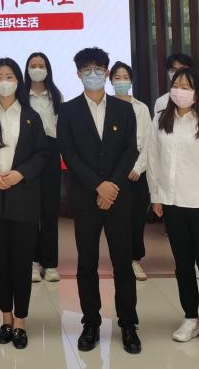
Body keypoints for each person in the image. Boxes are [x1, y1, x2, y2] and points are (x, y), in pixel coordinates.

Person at [57, 49, 141, 354]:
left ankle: (128, 323)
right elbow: (69, 154)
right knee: (87, 262)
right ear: (78, 74)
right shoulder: (68, 111)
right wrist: (97, 186)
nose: (93, 74)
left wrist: (112, 186)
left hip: (118, 197)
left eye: (98, 69)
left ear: (106, 73)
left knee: (123, 262)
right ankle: (90, 322)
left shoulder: (124, 109)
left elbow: (130, 150)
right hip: (85, 197)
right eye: (87, 69)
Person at [146, 68, 199, 349]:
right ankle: (191, 317)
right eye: (176, 84)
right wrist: (156, 195)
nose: (180, 90)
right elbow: (153, 159)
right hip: (172, 203)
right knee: (182, 264)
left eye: (187, 86)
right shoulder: (160, 120)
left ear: (198, 92)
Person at [0, 58, 51, 350]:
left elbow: (42, 153)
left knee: (21, 262)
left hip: (23, 197)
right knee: (2, 263)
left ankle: (20, 321)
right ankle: (5, 318)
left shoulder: (31, 115)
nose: (4, 81)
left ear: (18, 81)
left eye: (9, 76)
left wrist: (21, 173)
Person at [109, 62, 153, 281]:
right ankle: (120, 259)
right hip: (112, 166)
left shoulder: (141, 108)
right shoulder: (106, 105)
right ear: (111, 80)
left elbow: (148, 141)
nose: (121, 81)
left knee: (136, 216)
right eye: (117, 77)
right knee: (117, 217)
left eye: (125, 77)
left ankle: (134, 260)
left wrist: (138, 167)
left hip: (137, 167)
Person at [24, 52, 64, 284]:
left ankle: (49, 263)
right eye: (33, 65)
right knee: (30, 209)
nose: (37, 69)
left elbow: (61, 126)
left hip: (51, 151)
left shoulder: (56, 95)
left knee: (49, 209)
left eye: (41, 65)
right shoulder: (20, 94)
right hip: (26, 154)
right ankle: (31, 260)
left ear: (48, 69)